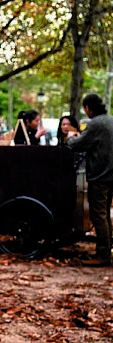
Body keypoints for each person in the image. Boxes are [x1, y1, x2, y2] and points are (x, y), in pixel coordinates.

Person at [67, 94, 113, 267]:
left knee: (98, 214)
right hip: (110, 174)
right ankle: (107, 247)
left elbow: (77, 144)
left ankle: (103, 254)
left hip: (100, 175)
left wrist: (71, 136)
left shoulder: (95, 124)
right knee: (104, 213)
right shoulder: (111, 120)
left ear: (88, 108)